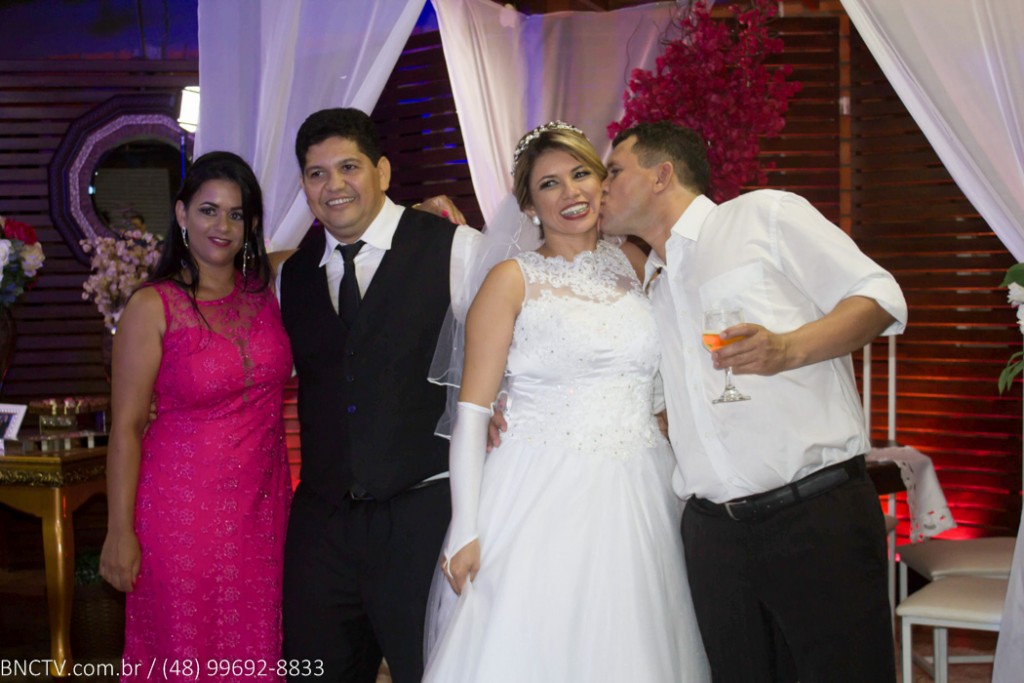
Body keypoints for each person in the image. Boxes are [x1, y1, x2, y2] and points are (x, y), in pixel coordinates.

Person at [598, 121, 908, 683]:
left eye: (614, 171)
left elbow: (880, 297)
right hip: (713, 539)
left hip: (814, 516)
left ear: (662, 175)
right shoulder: (653, 288)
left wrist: (789, 348)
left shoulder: (763, 216)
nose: (601, 186)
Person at [421, 121, 710, 683]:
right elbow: (472, 414)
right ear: (530, 206)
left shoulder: (639, 263)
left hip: (643, 486)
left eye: (581, 174)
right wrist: (465, 527)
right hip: (540, 488)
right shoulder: (511, 280)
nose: (571, 192)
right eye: (549, 184)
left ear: (603, 183)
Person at [277, 107, 480, 683]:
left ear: (383, 171)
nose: (333, 185)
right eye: (316, 174)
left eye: (349, 167)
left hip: (422, 515)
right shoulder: (291, 276)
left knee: (431, 671)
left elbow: (508, 355)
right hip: (322, 524)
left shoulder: (457, 249)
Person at [99, 151, 293, 681]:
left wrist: (414, 214)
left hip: (262, 515)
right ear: (182, 214)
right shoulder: (153, 306)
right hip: (180, 516)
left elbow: (340, 241)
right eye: (209, 210)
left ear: (251, 224)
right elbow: (127, 427)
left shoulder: (268, 288)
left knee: (254, 654)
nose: (222, 226)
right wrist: (119, 531)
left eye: (236, 214)